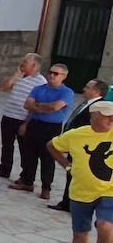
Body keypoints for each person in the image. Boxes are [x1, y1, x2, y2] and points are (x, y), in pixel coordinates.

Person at [48, 100, 113, 243]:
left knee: (106, 226)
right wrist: (67, 167)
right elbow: (52, 145)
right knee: (80, 232)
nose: (111, 119)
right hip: (80, 191)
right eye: (107, 115)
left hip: (109, 190)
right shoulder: (76, 135)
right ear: (94, 116)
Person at [13, 63, 74, 200]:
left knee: (48, 158)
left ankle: (46, 187)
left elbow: (56, 107)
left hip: (51, 127)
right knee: (29, 154)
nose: (51, 75)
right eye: (50, 72)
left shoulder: (67, 92)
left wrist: (38, 105)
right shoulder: (38, 88)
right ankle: (27, 181)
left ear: (64, 76)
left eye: (56, 73)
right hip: (35, 123)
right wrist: (42, 108)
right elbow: (27, 104)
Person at [49, 79, 109, 211]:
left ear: (96, 91)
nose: (84, 89)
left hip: (82, 145)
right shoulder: (86, 104)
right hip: (73, 142)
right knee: (71, 173)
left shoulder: (98, 107)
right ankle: (67, 202)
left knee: (75, 174)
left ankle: (72, 203)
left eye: (88, 87)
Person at [0, 53, 47, 180]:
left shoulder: (41, 82)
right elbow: (3, 87)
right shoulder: (20, 76)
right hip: (9, 115)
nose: (22, 63)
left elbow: (37, 104)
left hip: (23, 118)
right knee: (7, 144)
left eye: (25, 61)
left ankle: (25, 175)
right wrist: (16, 75)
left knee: (24, 148)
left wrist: (26, 123)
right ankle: (4, 169)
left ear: (34, 65)